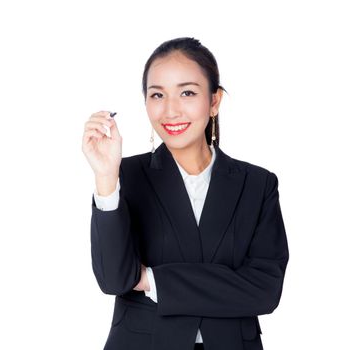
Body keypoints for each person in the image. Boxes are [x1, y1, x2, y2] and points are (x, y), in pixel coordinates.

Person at [81, 37, 289, 350]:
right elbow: (114, 280)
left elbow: (265, 289)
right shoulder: (125, 176)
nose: (170, 110)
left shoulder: (257, 184)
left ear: (214, 101)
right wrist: (106, 177)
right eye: (157, 95)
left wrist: (152, 280)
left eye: (187, 92)